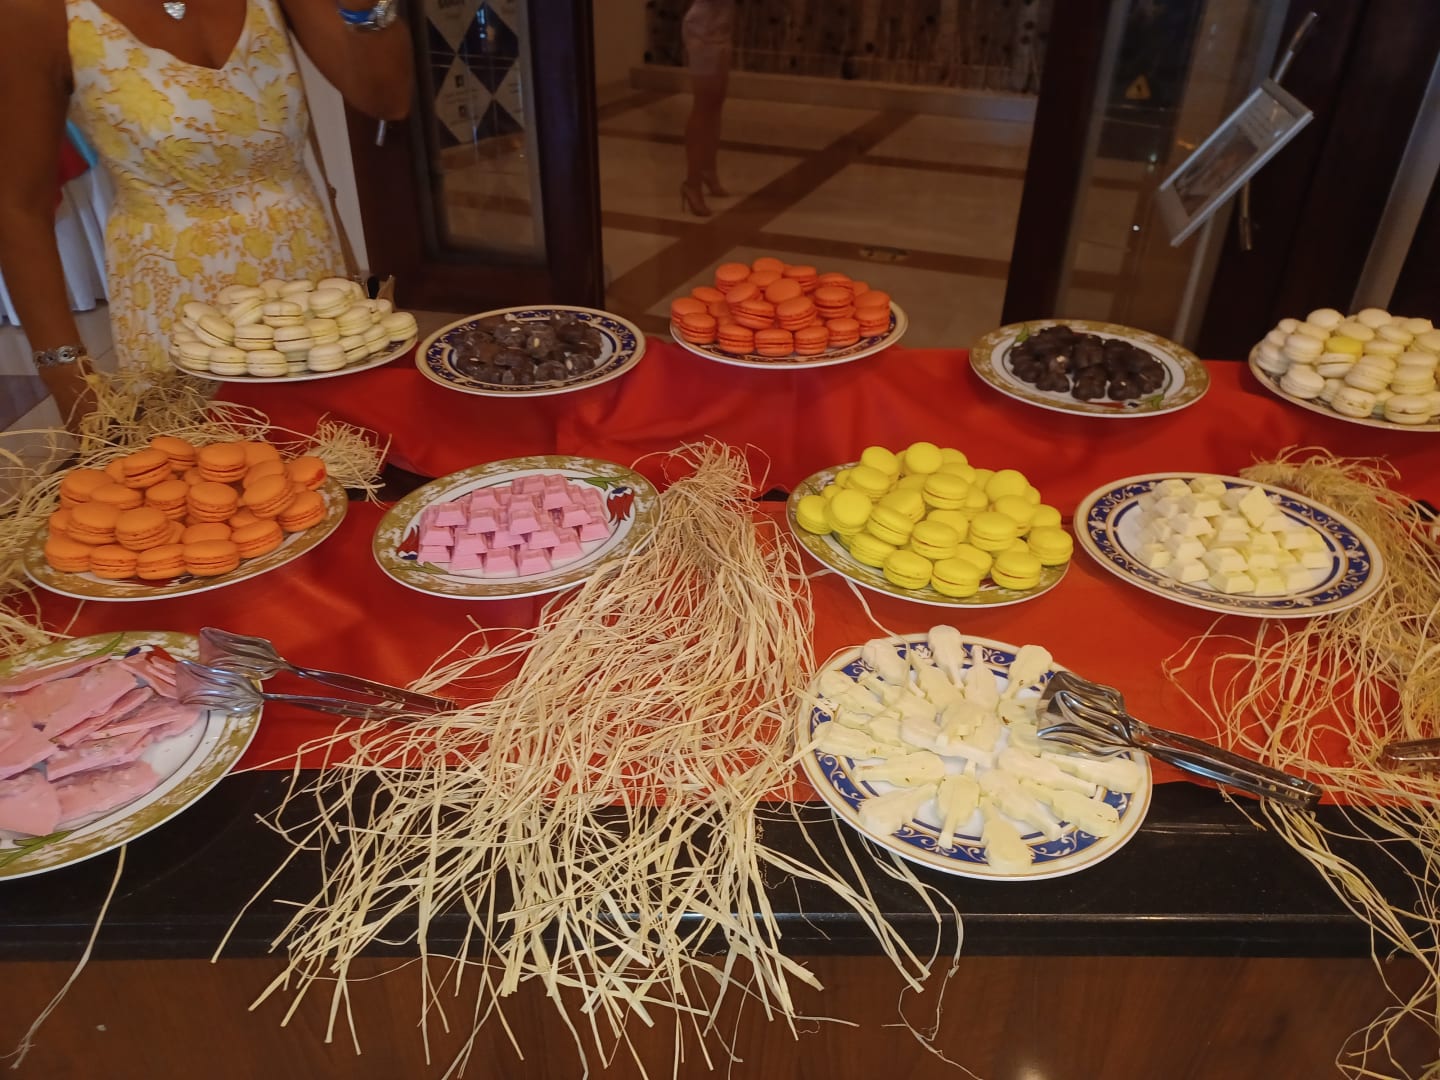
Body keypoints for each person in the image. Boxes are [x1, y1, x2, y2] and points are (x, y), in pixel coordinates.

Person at [0, 0, 414, 429]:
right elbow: (18, 207)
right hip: (175, 306)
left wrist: (365, 11)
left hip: (306, 287)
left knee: (335, 450)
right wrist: (69, 380)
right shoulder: (36, 11)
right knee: (207, 462)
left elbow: (388, 101)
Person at [680, 0, 735, 218]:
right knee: (703, 105)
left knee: (716, 102)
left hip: (721, 23)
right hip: (702, 29)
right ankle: (692, 183)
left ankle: (708, 170)